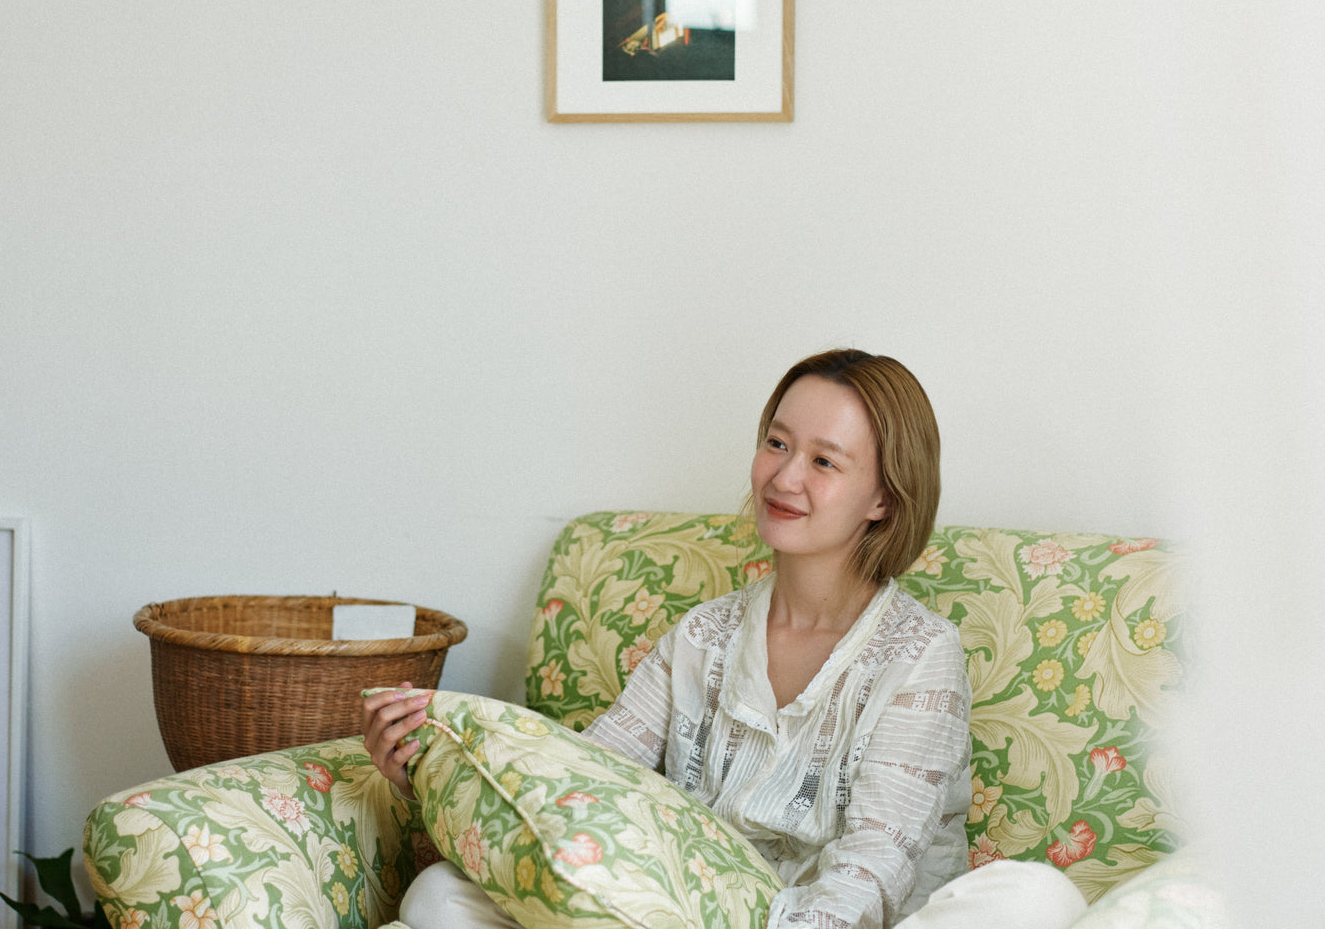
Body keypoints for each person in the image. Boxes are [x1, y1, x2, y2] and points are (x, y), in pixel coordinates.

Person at [362, 349, 1086, 929]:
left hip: (853, 921)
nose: (784, 475)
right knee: (438, 898)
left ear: (884, 498)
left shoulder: (921, 653)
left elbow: (874, 863)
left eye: (823, 461)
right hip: (695, 910)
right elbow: (589, 779)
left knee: (1034, 901)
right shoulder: (701, 637)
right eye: (777, 443)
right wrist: (431, 769)